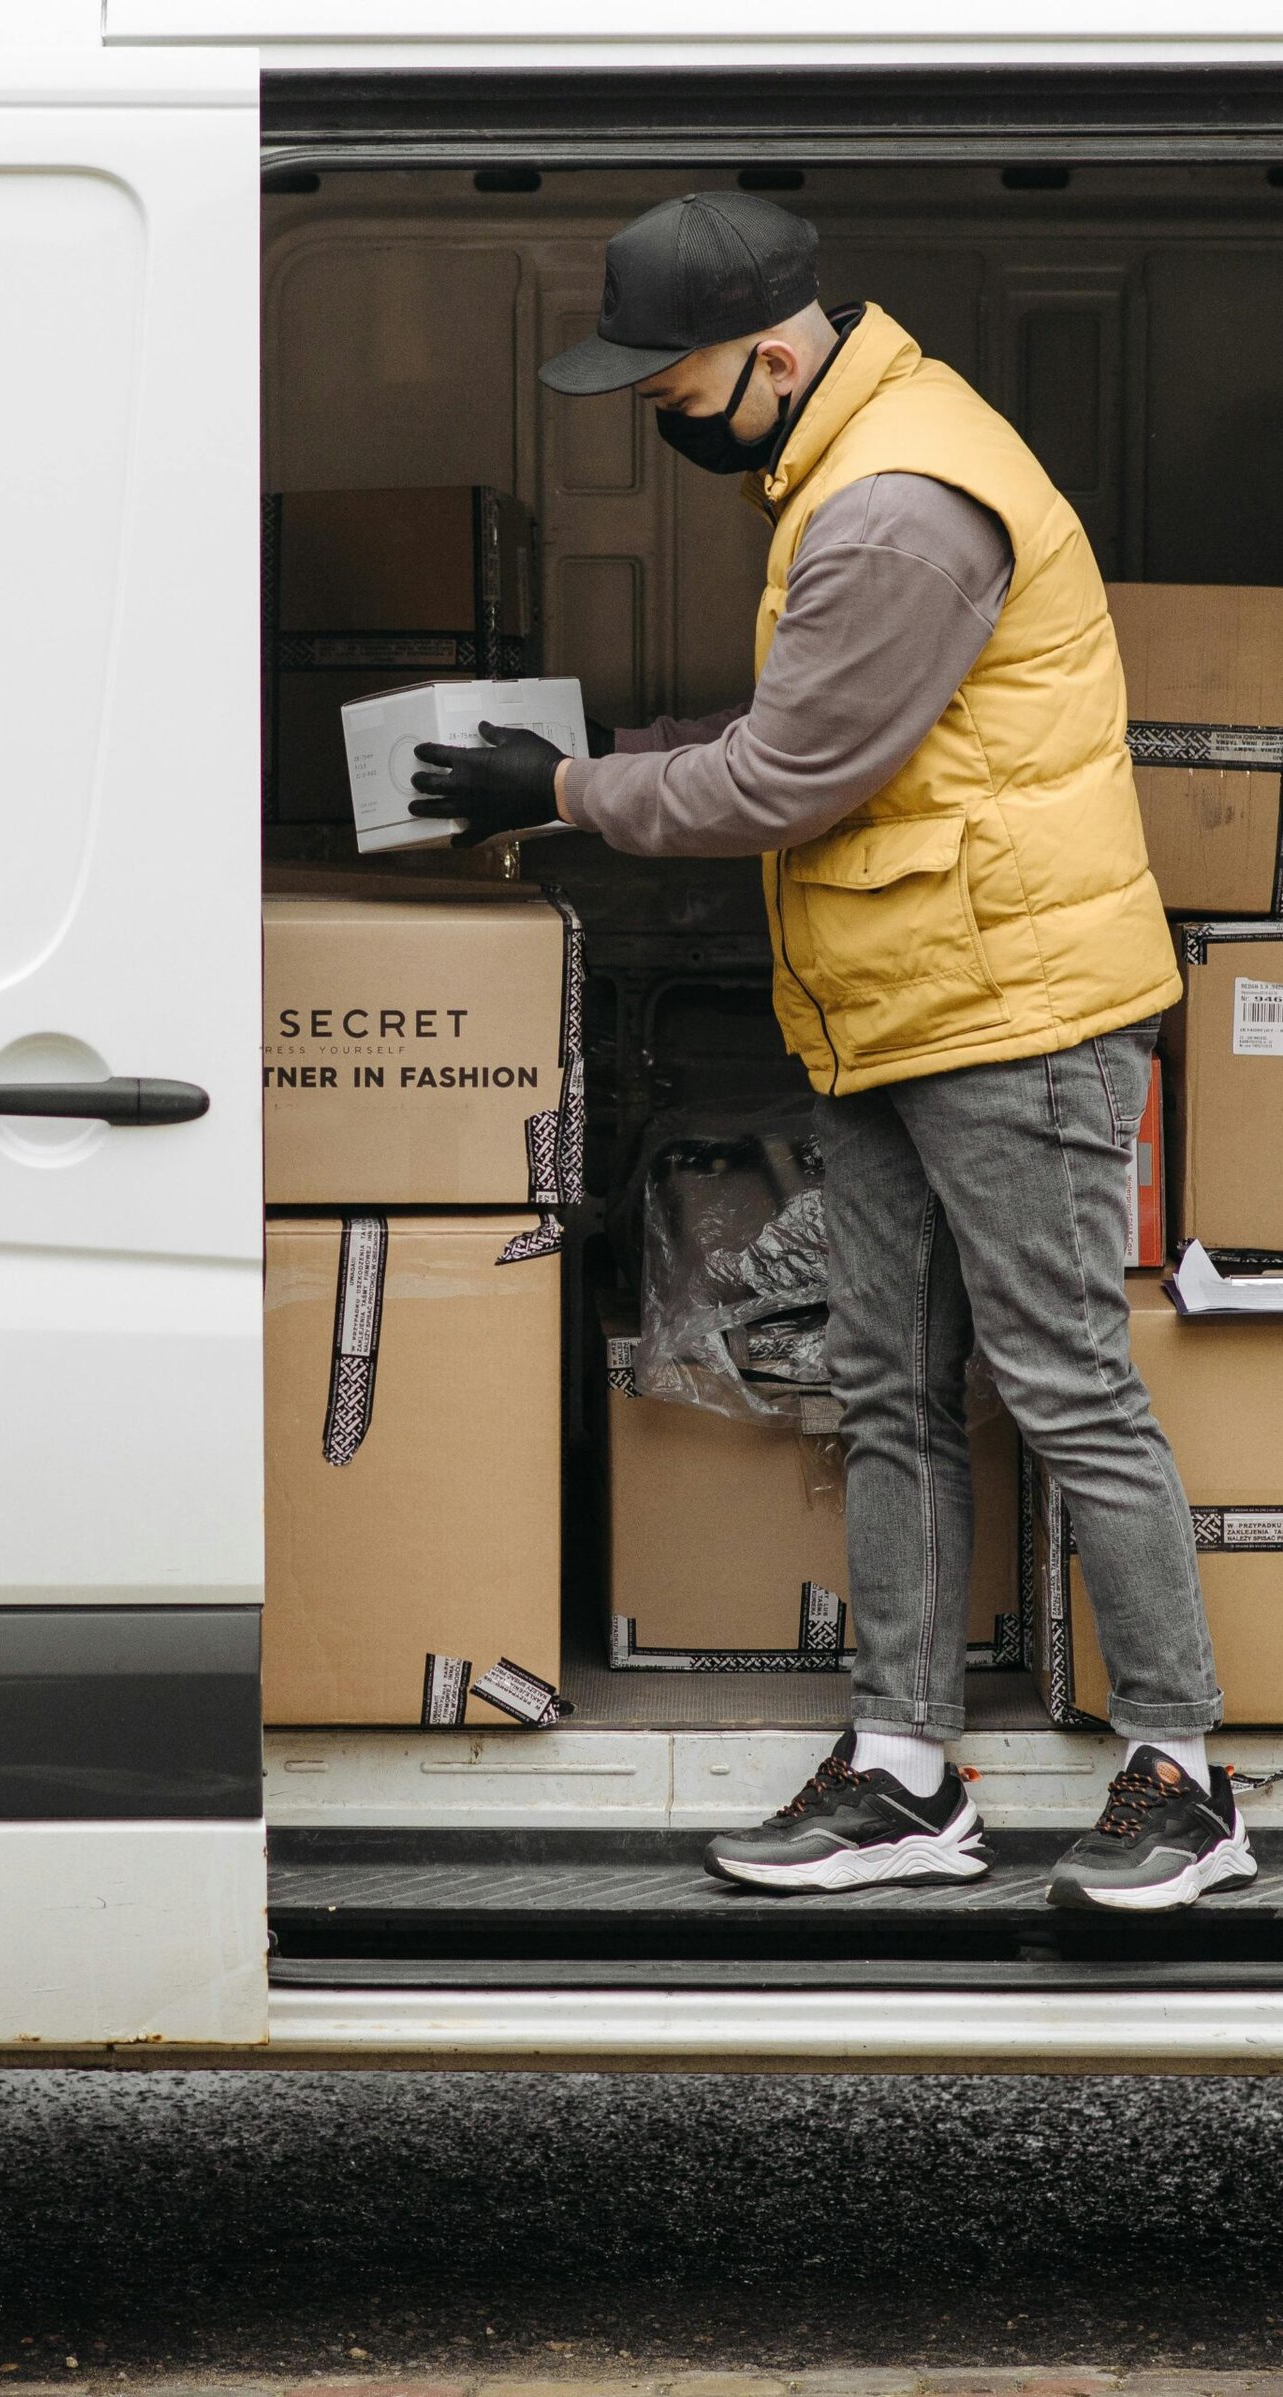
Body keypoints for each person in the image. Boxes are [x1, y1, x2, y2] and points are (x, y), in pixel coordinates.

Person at [409, 190, 1255, 1914]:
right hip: (899, 1009)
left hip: (1008, 1018)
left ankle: (1184, 1774)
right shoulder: (849, 460)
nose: (660, 416)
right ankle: (905, 1768)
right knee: (887, 1389)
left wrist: (568, 791)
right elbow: (815, 730)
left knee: (1063, 1382)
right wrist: (604, 747)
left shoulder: (893, 508)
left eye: (673, 387)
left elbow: (788, 782)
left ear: (776, 359)